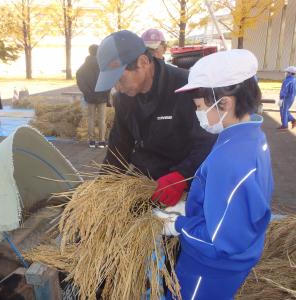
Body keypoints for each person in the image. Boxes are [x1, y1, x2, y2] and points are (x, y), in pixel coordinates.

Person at [153, 49, 273, 300]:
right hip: (238, 255)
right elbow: (236, 205)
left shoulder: (230, 160)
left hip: (208, 268)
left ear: (225, 103)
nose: (198, 115)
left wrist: (177, 225)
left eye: (200, 107)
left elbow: (220, 242)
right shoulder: (249, 137)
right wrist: (191, 207)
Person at [95, 30, 216, 207]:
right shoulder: (123, 98)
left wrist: (182, 176)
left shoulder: (188, 87)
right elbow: (119, 145)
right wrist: (101, 188)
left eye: (120, 79)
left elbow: (209, 140)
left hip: (185, 183)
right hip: (145, 181)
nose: (118, 88)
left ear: (143, 62)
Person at [76, 44, 110, 148]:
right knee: (102, 119)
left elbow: (79, 78)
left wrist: (86, 91)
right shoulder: (103, 65)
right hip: (102, 96)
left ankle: (91, 141)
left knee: (91, 118)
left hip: (90, 96)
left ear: (89, 51)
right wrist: (106, 92)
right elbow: (109, 80)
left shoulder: (84, 66)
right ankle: (102, 141)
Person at [277, 65, 296, 131]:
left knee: (283, 111)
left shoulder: (287, 81)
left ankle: (285, 125)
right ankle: (293, 120)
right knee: (285, 110)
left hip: (286, 98)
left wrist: (281, 97)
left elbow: (284, 90)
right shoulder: (294, 80)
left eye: (287, 72)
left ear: (290, 73)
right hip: (292, 97)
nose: (286, 73)